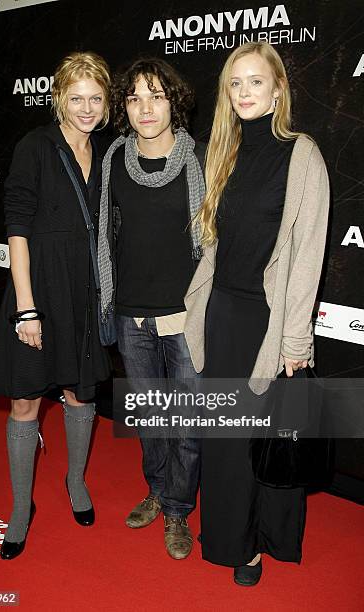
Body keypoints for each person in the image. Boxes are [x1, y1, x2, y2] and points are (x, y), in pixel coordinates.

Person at [184, 42, 330, 584]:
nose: (244, 92)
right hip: (223, 313)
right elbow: (214, 246)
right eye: (235, 83)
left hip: (268, 322)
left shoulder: (302, 154)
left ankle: (262, 539)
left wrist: (295, 341)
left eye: (255, 82)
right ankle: (233, 542)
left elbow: (308, 254)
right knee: (224, 438)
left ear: (277, 91)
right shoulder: (220, 150)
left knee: (263, 439)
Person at [0, 51, 112, 559]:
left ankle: (75, 482)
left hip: (84, 295)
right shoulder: (35, 146)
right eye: (76, 97)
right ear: (58, 97)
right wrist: (26, 308)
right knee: (25, 401)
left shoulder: (106, 153)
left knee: (81, 396)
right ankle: (20, 506)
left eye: (96, 98)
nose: (86, 108)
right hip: (36, 292)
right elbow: (17, 230)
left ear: (106, 102)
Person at [97, 58, 205, 560]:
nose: (145, 107)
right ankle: (158, 492)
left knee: (185, 424)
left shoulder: (199, 159)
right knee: (152, 419)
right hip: (131, 314)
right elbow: (104, 233)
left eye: (156, 95)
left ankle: (179, 510)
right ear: (124, 106)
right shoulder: (114, 159)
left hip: (186, 316)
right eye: (135, 97)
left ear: (174, 102)